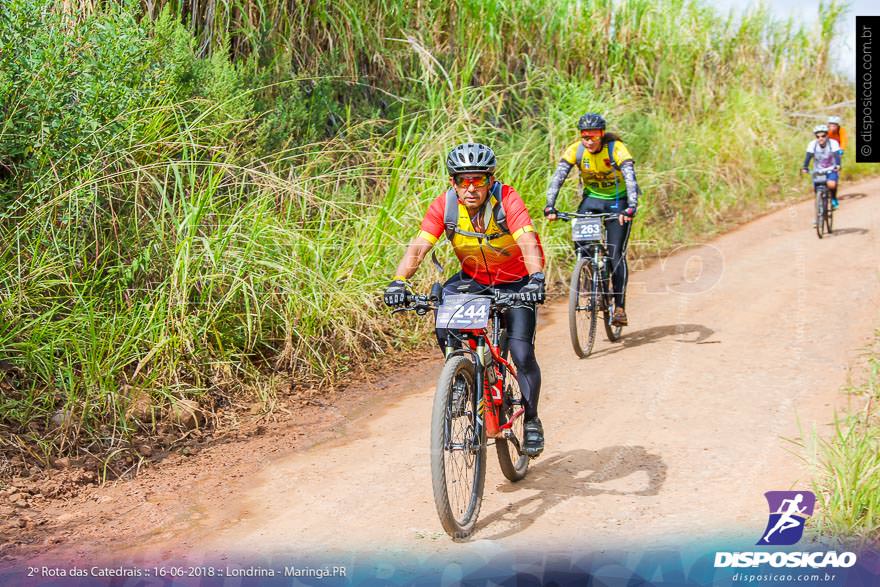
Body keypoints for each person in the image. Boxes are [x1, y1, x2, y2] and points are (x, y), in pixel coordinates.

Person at [383, 142, 548, 456]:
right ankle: (460, 377)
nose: (471, 188)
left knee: (522, 353)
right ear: (453, 182)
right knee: (444, 315)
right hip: (473, 279)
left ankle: (531, 420)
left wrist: (536, 277)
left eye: (479, 180)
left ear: (490, 179)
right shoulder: (444, 207)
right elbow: (419, 246)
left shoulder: (507, 199)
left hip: (516, 281)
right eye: (463, 181)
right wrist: (399, 281)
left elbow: (527, 241)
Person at [543, 113, 641, 326]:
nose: (588, 141)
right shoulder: (576, 150)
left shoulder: (615, 149)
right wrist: (550, 205)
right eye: (585, 136)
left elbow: (630, 178)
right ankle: (590, 281)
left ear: (602, 134)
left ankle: (620, 307)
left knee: (616, 254)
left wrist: (631, 206)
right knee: (582, 245)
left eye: (593, 136)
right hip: (592, 201)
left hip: (618, 202)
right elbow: (557, 178)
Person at [801, 124, 841, 210]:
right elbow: (808, 156)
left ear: (827, 135)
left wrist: (838, 165)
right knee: (817, 189)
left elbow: (837, 155)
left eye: (823, 136)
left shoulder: (833, 143)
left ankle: (833, 198)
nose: (820, 138)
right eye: (818, 136)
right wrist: (805, 167)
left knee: (831, 184)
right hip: (818, 170)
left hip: (831, 168)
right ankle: (819, 211)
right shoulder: (812, 144)